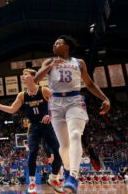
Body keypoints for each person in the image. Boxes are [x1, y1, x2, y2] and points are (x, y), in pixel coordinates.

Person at [34, 35, 111, 193]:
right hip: (55, 104)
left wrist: (105, 98)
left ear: (67, 46)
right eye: (54, 43)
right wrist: (49, 66)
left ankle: (73, 177)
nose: (54, 44)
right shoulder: (49, 62)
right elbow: (36, 79)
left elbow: (89, 83)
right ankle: (68, 171)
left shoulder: (79, 62)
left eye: (58, 42)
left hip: (74, 100)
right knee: (64, 146)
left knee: (76, 134)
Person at [0, 68, 64, 193]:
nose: (23, 76)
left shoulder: (44, 90)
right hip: (34, 127)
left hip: (47, 125)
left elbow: (59, 103)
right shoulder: (22, 95)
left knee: (58, 151)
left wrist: (50, 114)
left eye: (26, 74)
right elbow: (12, 109)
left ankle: (54, 178)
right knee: (33, 152)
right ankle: (32, 183)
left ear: (34, 78)